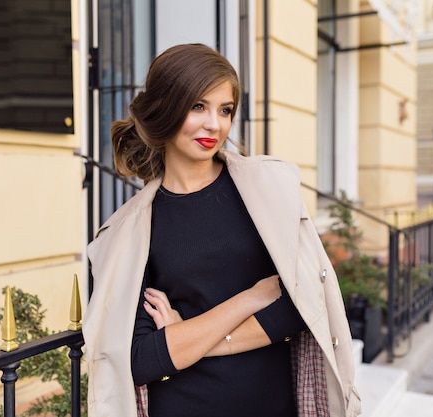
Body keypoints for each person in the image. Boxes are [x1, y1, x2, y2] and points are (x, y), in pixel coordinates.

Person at [82, 43, 361, 417]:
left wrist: (187, 336)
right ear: (165, 107)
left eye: (225, 110)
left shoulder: (266, 191)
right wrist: (250, 299)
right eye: (198, 106)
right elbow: (142, 360)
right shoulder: (131, 231)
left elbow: (300, 309)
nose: (215, 124)